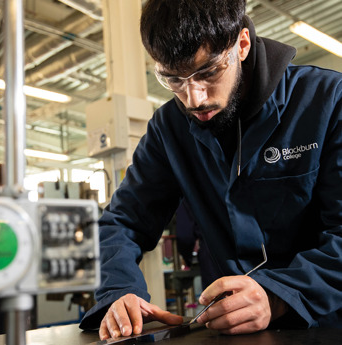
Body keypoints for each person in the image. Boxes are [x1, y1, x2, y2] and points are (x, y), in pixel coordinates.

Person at [79, 0, 342, 339]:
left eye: (207, 72)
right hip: (237, 335)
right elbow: (122, 222)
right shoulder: (168, 129)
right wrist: (118, 291)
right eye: (172, 79)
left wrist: (277, 295)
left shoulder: (327, 101)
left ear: (241, 45)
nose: (194, 98)